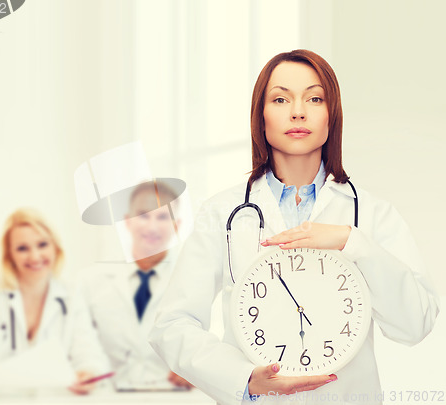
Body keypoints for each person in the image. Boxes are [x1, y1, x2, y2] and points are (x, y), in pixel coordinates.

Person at [149, 49, 440, 405]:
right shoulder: (224, 213)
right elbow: (172, 325)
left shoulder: (372, 214)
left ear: (332, 115)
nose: (298, 111)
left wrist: (353, 243)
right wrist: (245, 379)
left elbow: (416, 324)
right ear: (261, 116)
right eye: (280, 98)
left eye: (314, 98)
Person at [0, 208, 110, 396]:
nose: (35, 256)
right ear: (9, 255)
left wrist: (88, 374)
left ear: (55, 247)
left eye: (42, 245)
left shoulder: (70, 294)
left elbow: (91, 356)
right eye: (22, 248)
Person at [81, 181, 192, 389]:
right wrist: (88, 372)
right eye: (143, 215)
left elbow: (205, 345)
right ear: (127, 221)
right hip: (107, 397)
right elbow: (81, 343)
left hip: (172, 397)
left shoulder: (191, 280)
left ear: (176, 226)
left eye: (162, 217)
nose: (152, 226)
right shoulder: (90, 281)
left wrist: (196, 371)